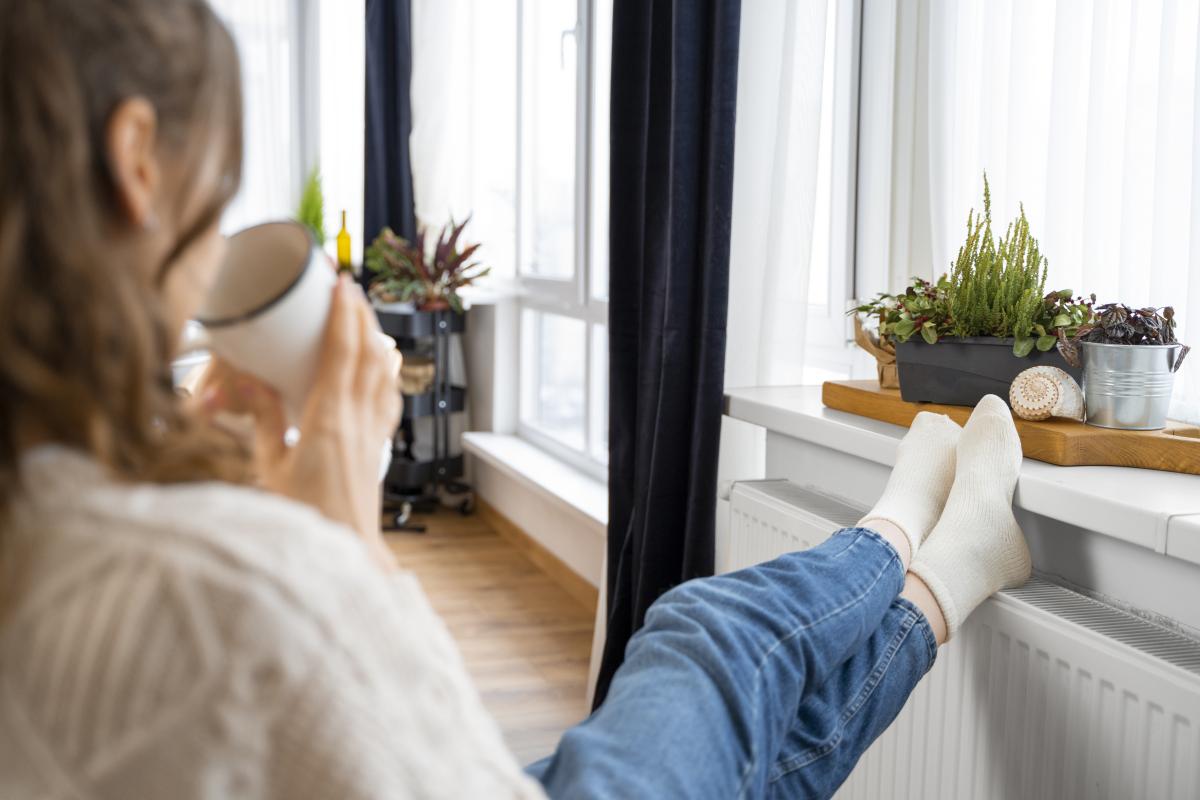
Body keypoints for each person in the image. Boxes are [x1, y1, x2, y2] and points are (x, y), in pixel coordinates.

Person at [0, 1, 1031, 798]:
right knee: (704, 634)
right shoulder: (217, 594)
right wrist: (341, 532)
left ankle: (934, 560)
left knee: (735, 741)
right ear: (139, 160)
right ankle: (908, 538)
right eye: (214, 184)